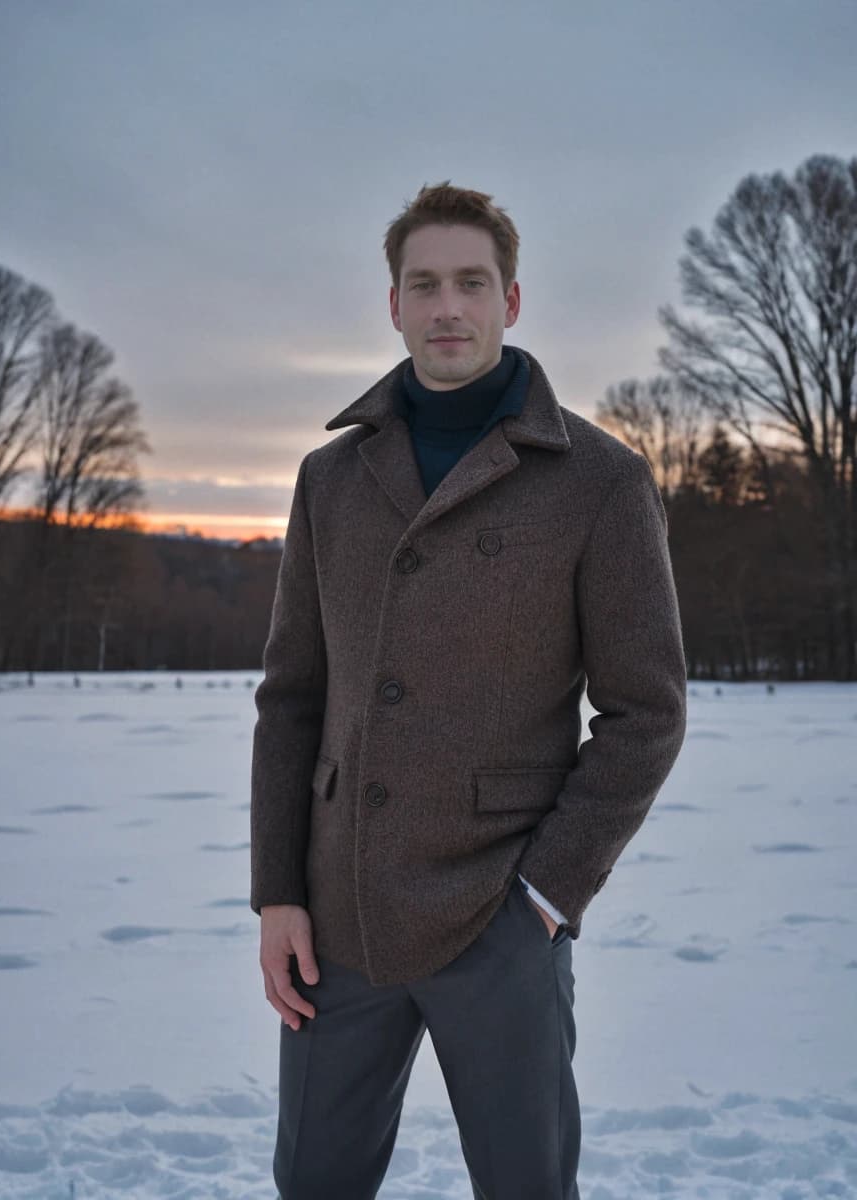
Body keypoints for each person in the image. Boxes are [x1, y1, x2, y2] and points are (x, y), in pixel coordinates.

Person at [250, 181, 688, 1200]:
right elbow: (291, 696)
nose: (447, 306)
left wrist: (543, 896)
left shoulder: (598, 481)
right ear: (392, 305)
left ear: (511, 301)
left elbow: (645, 713)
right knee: (312, 1181)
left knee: (526, 1185)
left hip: (497, 908)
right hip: (338, 911)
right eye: (424, 284)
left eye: (470, 283)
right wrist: (278, 891)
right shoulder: (329, 478)